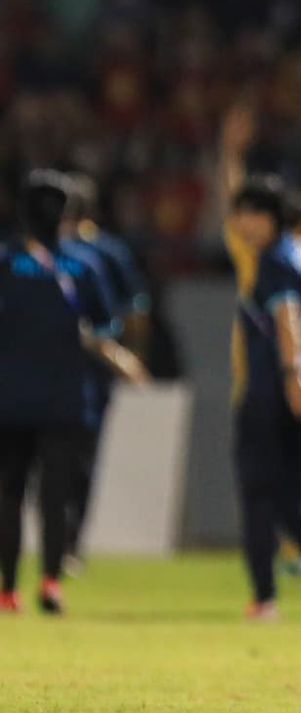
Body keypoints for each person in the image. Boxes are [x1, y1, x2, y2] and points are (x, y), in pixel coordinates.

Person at [0, 173, 149, 615]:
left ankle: (8, 590)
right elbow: (107, 326)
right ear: (65, 213)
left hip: (9, 397)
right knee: (56, 495)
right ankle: (50, 584)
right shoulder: (84, 265)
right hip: (66, 395)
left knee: (9, 494)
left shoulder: (5, 261)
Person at [225, 174, 301, 619]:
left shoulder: (273, 262)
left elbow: (287, 316)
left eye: (253, 215)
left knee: (257, 494)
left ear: (272, 217)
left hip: (273, 390)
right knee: (294, 489)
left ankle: (264, 596)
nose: (245, 225)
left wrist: (294, 375)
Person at [57, 173, 149, 571]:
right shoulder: (107, 253)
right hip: (92, 372)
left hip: (76, 371)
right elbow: (134, 312)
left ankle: (62, 542)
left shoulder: (97, 255)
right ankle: (67, 543)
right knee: (80, 461)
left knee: (61, 460)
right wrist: (130, 355)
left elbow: (132, 311)